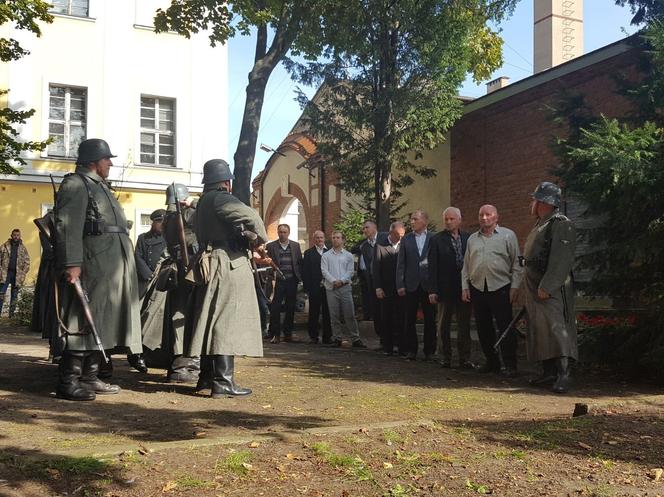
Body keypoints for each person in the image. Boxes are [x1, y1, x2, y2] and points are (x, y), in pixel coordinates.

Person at [53, 138, 142, 401]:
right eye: (106, 160)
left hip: (110, 263)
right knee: (83, 317)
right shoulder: (76, 184)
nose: (110, 164)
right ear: (93, 161)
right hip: (92, 261)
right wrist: (72, 263)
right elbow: (68, 225)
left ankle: (90, 378)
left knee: (101, 319)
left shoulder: (99, 186)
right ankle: (69, 381)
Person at [186, 159, 267, 398]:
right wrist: (259, 239)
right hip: (227, 262)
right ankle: (223, 381)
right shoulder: (221, 198)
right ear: (226, 181)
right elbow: (251, 217)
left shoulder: (202, 203)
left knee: (210, 318)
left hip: (210, 260)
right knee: (226, 320)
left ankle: (206, 378)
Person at [141, 184, 200, 382]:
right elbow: (208, 211)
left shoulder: (168, 218)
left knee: (180, 315)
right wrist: (193, 203)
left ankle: (180, 363)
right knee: (186, 316)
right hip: (188, 269)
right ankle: (184, 365)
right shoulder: (185, 215)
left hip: (180, 269)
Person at [523, 182, 577, 393]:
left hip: (550, 288)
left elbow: (561, 259)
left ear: (543, 202)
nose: (532, 202)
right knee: (540, 329)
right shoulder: (541, 224)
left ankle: (564, 374)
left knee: (557, 328)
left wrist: (548, 285)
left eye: (535, 199)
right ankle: (548, 373)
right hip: (534, 285)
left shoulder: (560, 223)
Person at [462, 205, 523, 376]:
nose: (484, 218)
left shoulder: (508, 235)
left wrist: (515, 286)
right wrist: (465, 287)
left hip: (501, 287)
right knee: (483, 328)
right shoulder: (472, 239)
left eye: (488, 214)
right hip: (478, 288)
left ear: (496, 217)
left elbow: (517, 264)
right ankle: (492, 362)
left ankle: (510, 365)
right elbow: (466, 266)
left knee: (505, 327)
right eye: (481, 214)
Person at [428, 207, 475, 369]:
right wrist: (432, 290)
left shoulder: (469, 238)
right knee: (443, 324)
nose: (448, 222)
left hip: (463, 288)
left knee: (464, 324)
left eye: (451, 219)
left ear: (459, 220)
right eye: (446, 219)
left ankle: (465, 358)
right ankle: (445, 356)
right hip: (444, 288)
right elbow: (432, 267)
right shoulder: (436, 239)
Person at [396, 210, 436, 360]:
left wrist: (435, 285)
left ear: (424, 221)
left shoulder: (434, 238)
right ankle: (411, 350)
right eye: (411, 219)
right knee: (409, 318)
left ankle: (430, 351)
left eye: (415, 219)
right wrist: (400, 284)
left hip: (428, 285)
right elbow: (401, 263)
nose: (412, 222)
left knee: (430, 319)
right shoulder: (406, 239)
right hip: (410, 284)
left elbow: (436, 263)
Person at [321, 231, 366, 348]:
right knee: (334, 315)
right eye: (333, 237)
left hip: (345, 287)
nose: (335, 239)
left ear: (343, 240)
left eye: (338, 238)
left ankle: (355, 338)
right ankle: (337, 338)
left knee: (349, 314)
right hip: (331, 288)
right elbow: (324, 271)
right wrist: (333, 281)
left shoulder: (348, 255)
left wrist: (341, 281)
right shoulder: (326, 256)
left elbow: (350, 271)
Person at [373, 221, 406, 355]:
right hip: (386, 288)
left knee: (401, 317)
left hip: (401, 288)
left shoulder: (403, 245)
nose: (401, 237)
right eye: (399, 235)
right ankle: (388, 347)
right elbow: (376, 268)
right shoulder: (380, 246)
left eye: (403, 235)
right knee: (386, 317)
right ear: (391, 233)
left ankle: (402, 346)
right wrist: (378, 287)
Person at [265, 224, 303, 343]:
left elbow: (299, 262)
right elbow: (266, 263)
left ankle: (288, 333)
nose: (282, 234)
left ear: (289, 233)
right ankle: (276, 334)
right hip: (277, 281)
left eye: (284, 232)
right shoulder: (271, 246)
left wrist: (299, 277)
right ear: (277, 232)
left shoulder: (295, 246)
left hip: (292, 280)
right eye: (280, 232)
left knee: (290, 307)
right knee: (275, 308)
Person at [357, 221, 388, 343]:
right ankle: (382, 339)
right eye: (363, 228)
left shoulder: (385, 238)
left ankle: (391, 339)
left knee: (388, 311)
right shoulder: (364, 246)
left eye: (367, 227)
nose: (365, 230)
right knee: (377, 312)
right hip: (373, 284)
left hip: (387, 282)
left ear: (375, 227)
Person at [302, 230, 332, 344]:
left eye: (321, 237)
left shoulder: (329, 252)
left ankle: (327, 336)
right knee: (313, 312)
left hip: (328, 287)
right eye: (317, 238)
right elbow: (306, 272)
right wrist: (307, 289)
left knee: (327, 312)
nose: (319, 240)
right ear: (314, 239)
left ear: (324, 239)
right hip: (314, 287)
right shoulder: (309, 253)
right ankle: (313, 336)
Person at [135, 209, 167, 298]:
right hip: (145, 278)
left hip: (162, 279)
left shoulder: (169, 238)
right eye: (159, 221)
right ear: (153, 222)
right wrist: (148, 274)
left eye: (164, 221)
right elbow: (138, 256)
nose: (162, 224)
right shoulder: (143, 238)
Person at [0, 229, 30, 318]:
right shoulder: (4, 246)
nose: (16, 236)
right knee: (1, 293)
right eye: (14, 235)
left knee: (14, 295)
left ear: (20, 236)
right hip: (5, 274)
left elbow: (27, 262)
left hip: (17, 275)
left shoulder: (23, 248)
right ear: (11, 235)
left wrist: (23, 273)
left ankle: (11, 315)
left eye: (18, 235)